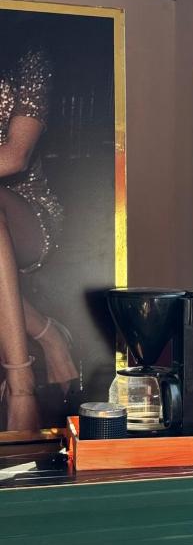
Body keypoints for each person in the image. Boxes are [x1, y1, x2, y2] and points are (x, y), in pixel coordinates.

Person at [0, 32, 78, 431]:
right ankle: (48, 333)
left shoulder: (28, 56)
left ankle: (21, 389)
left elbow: (15, 156)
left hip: (27, 212)